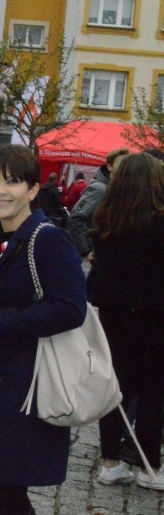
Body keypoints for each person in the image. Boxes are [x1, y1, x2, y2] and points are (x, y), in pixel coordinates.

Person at [0, 144, 87, 514]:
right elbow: (7, 294)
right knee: (3, 496)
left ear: (32, 189)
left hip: (27, 387)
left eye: (12, 182)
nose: (0, 191)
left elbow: (71, 309)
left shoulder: (48, 240)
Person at [87, 152, 164, 490]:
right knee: (153, 392)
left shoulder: (105, 222)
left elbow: (100, 277)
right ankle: (150, 468)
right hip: (156, 317)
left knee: (115, 388)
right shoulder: (160, 223)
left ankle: (110, 462)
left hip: (115, 316)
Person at [68, 148, 130, 259]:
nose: (124, 168)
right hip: (95, 252)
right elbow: (75, 218)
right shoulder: (99, 189)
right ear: (109, 166)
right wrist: (85, 251)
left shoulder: (117, 189)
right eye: (121, 163)